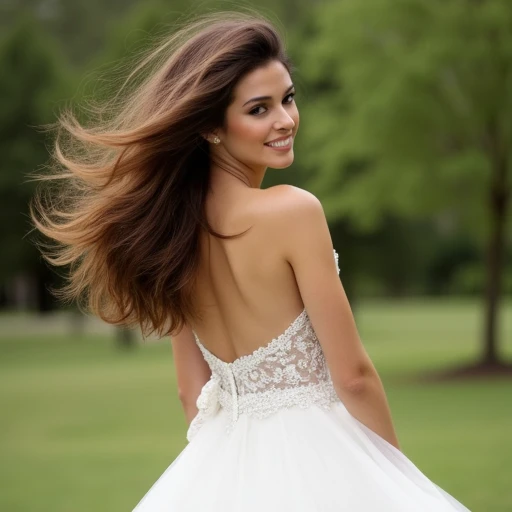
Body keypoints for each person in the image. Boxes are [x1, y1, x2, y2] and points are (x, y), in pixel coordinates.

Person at [31, 11, 471, 512]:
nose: (285, 120)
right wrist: (395, 479)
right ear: (211, 127)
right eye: (259, 109)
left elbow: (190, 391)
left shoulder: (170, 234)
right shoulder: (294, 211)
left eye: (287, 98)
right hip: (323, 457)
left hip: (222, 457)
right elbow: (353, 376)